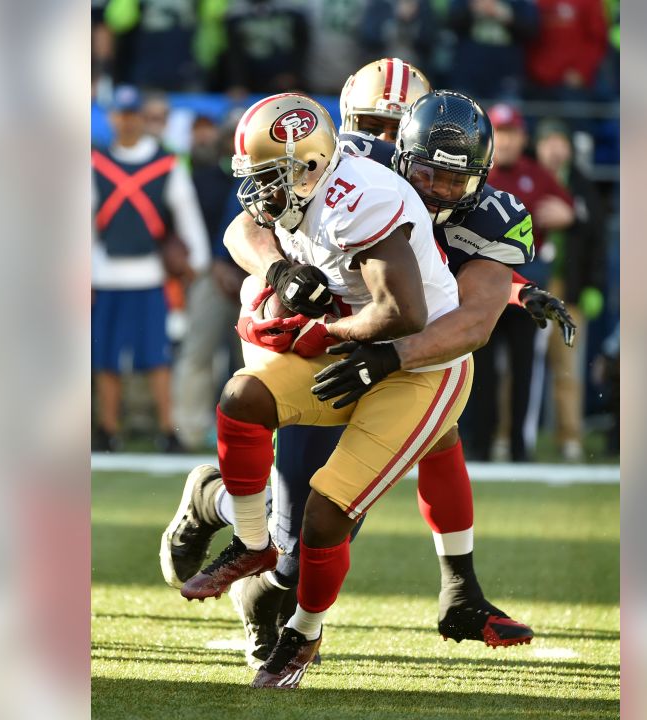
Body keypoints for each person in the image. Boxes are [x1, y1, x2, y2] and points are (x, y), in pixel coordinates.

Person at [162, 82, 575, 673]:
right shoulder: (348, 166)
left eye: (455, 181)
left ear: (482, 174)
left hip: (399, 351)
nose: (438, 191)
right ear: (398, 151)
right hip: (326, 338)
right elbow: (244, 228)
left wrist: (514, 291)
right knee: (291, 528)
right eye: (427, 174)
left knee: (352, 499)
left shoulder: (488, 214)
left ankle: (442, 593)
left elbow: (463, 312)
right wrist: (279, 274)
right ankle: (220, 509)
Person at [176, 92, 474, 690]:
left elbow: (404, 312)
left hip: (419, 366)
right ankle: (252, 545)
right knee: (243, 399)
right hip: (353, 344)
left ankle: (304, 634)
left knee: (325, 513)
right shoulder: (306, 182)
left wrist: (319, 331)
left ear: (308, 167)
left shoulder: (358, 200)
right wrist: (280, 273)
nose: (260, 193)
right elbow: (243, 230)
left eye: (268, 180)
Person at [91, 85, 210, 453]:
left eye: (132, 115)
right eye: (120, 115)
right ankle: (107, 429)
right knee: (104, 359)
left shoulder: (166, 164)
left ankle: (167, 429)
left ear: (143, 119)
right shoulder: (95, 164)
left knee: (156, 357)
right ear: (112, 118)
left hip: (150, 274)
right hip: (106, 273)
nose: (125, 122)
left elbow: (186, 213)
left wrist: (197, 262)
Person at [460, 102, 575, 462]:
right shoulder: (477, 173)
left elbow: (572, 209)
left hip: (527, 283)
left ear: (522, 137)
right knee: (480, 367)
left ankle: (520, 448)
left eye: (511, 133)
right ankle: (479, 444)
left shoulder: (537, 174)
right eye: (500, 133)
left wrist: (566, 214)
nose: (506, 141)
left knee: (526, 369)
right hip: (483, 284)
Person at [170, 114, 246, 450]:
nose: (234, 141)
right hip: (210, 277)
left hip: (256, 277)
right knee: (197, 352)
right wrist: (213, 265)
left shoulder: (268, 179)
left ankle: (249, 429)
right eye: (230, 133)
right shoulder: (202, 179)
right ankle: (187, 429)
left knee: (250, 362)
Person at [535, 119, 607, 461]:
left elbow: (597, 239)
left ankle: (570, 438)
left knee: (568, 366)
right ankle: (508, 436)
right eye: (549, 141)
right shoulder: (526, 178)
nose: (555, 149)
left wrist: (594, 285)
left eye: (560, 141)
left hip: (569, 286)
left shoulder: (582, 186)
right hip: (530, 285)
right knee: (517, 368)